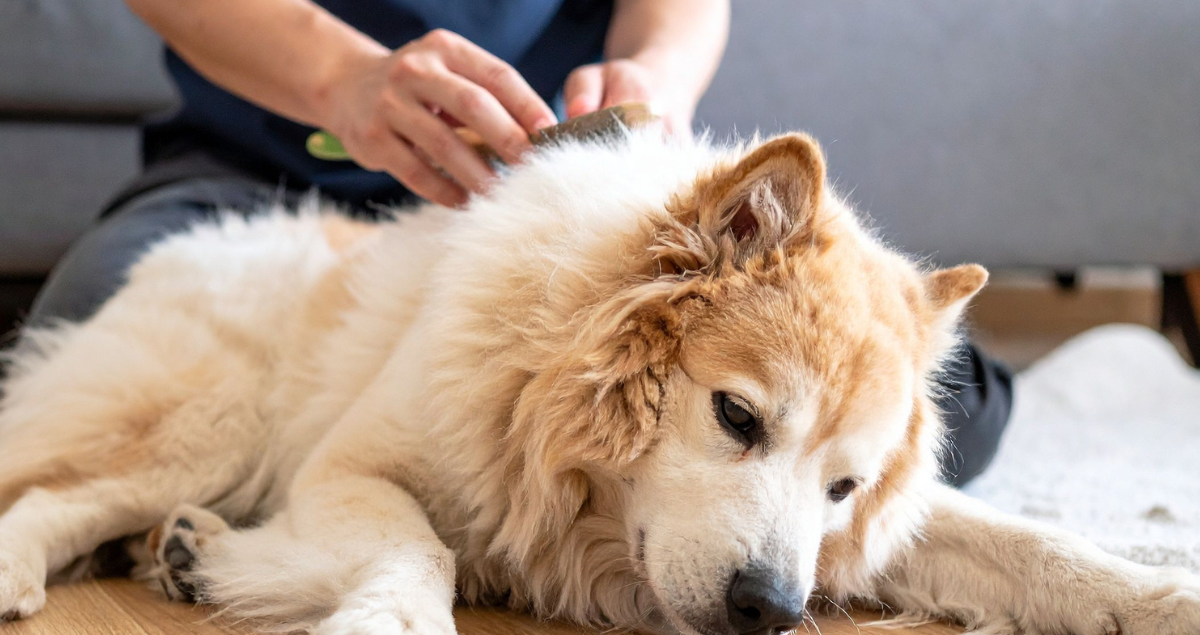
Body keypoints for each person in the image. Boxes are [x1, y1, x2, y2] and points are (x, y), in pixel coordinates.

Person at [25, 0, 1010, 485]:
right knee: (91, 334)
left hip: (551, 212)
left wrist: (655, 80)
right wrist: (344, 80)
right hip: (262, 168)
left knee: (955, 412)